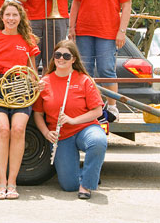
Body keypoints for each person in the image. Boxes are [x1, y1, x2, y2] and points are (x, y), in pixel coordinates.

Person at [0, 0, 40, 200]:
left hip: (21, 89)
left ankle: (12, 182)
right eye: (8, 15)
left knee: (18, 129)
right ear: (2, 18)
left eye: (15, 15)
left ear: (20, 18)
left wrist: (37, 83)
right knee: (3, 129)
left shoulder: (28, 40)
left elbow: (32, 71)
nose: (11, 18)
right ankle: (1, 181)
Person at [69, 0, 135, 121]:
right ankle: (87, 107)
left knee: (106, 70)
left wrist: (122, 31)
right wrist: (71, 27)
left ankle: (112, 107)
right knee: (85, 70)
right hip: (84, 31)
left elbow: (127, 6)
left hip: (108, 31)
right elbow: (76, 2)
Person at [34, 40, 107, 200]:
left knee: (98, 141)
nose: (61, 58)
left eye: (66, 55)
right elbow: (38, 114)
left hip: (85, 128)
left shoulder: (84, 80)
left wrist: (73, 120)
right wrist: (46, 133)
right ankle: (89, 175)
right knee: (68, 186)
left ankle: (87, 185)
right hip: (62, 136)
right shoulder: (44, 82)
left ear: (74, 59)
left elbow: (97, 111)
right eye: (58, 55)